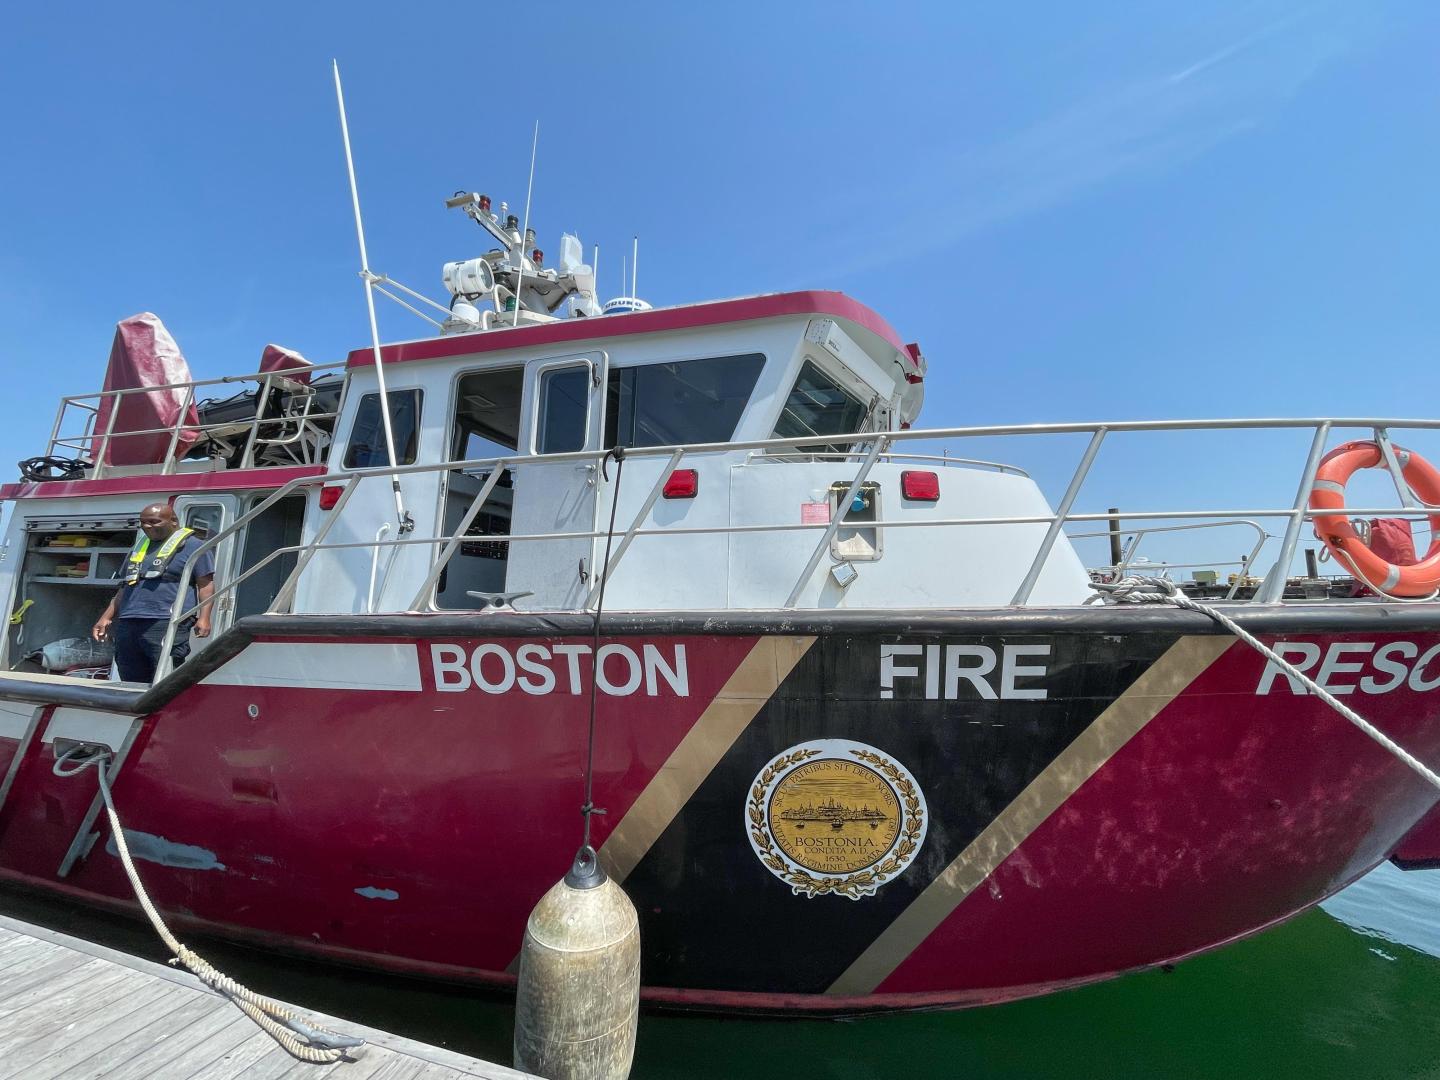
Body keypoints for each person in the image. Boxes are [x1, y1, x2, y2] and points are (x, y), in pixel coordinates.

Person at [92, 503, 215, 682]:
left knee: (166, 675)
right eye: (143, 522)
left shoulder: (195, 546)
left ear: (173, 521)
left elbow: (206, 585)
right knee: (128, 673)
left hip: (166, 621)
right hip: (130, 621)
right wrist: (106, 617)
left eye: (154, 522)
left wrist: (204, 617)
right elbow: (125, 586)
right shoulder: (139, 547)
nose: (147, 526)